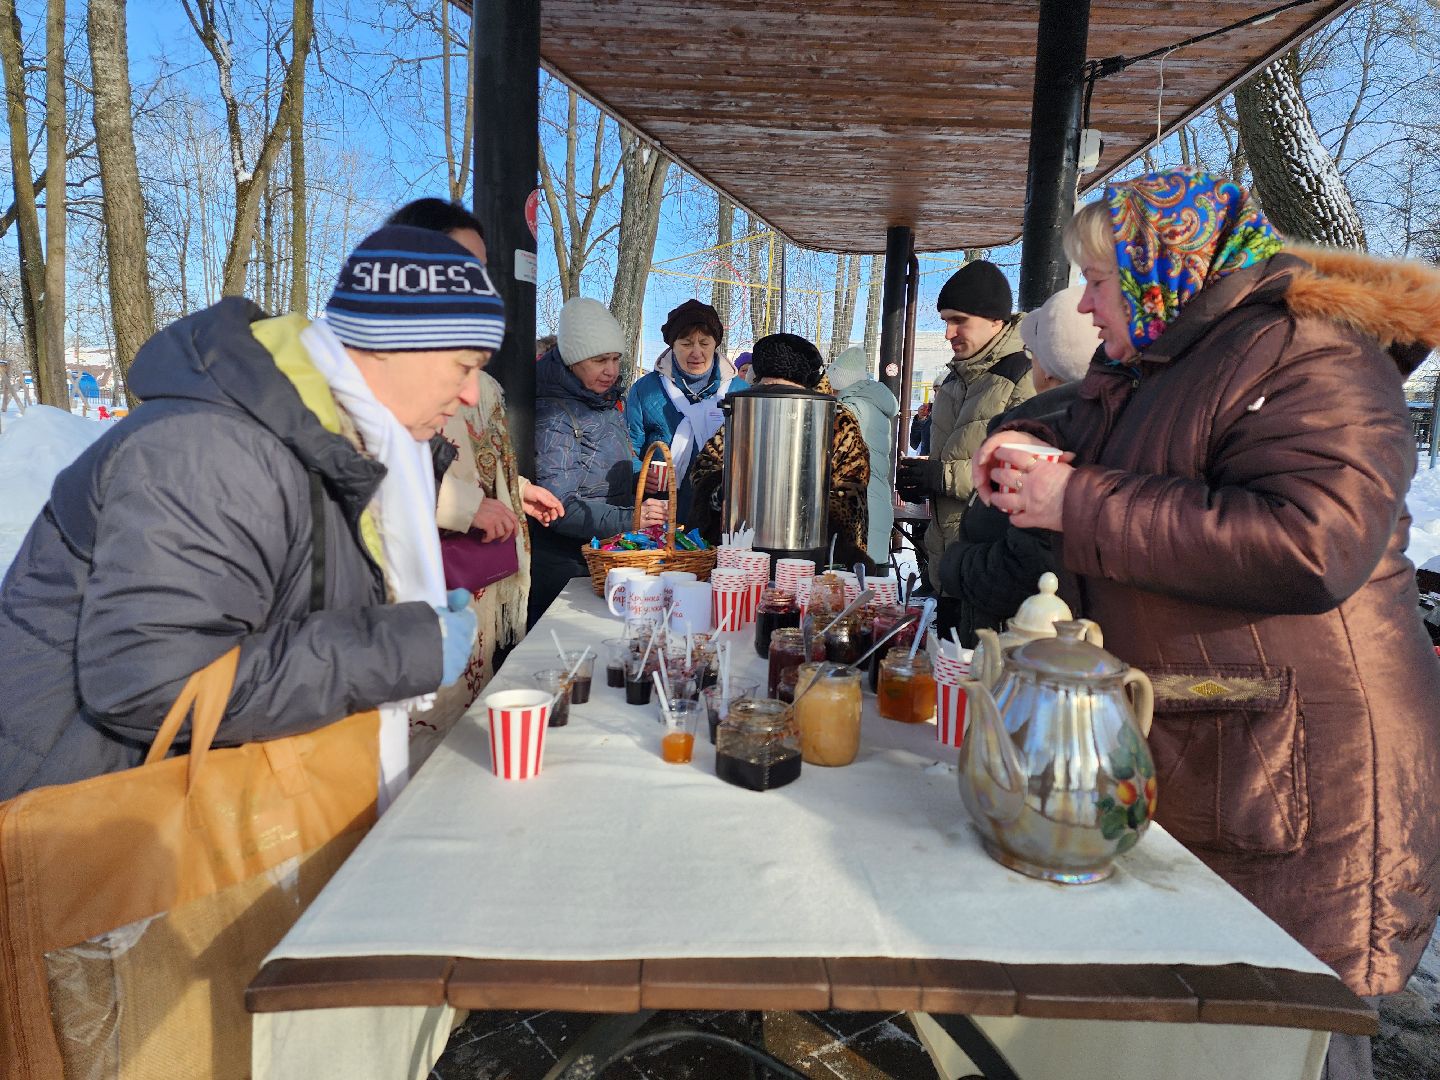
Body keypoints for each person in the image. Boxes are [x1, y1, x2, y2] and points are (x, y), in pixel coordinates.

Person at [973, 169, 1440, 1080]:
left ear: (1161, 271)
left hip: (1302, 773)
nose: (1084, 305)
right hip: (1216, 742)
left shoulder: (1313, 355)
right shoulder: (1171, 360)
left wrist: (1078, 497)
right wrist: (1046, 469)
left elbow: (1313, 544)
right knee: (1203, 1033)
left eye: (1098, 281)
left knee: (1286, 1030)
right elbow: (1163, 483)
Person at [0, 225, 506, 805]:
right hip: (89, 825)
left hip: (165, 803)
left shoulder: (334, 444)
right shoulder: (213, 450)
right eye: (463, 364)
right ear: (390, 342)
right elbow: (150, 681)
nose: (471, 394)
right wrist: (396, 648)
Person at [383, 198, 565, 765]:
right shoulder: (379, 363)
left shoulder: (471, 376)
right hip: (418, 584)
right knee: (420, 738)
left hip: (474, 585)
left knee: (464, 731)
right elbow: (369, 469)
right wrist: (465, 506)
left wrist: (515, 489)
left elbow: (469, 459)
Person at [937, 285, 1098, 645]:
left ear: (1050, 363)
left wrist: (954, 565)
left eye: (1035, 353)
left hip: (1014, 647)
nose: (1030, 361)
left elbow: (1026, 568)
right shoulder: (1077, 426)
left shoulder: (1044, 437)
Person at [896, 261, 1033, 629]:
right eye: (945, 321)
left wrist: (941, 477)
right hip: (949, 566)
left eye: (959, 320)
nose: (948, 333)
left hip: (992, 569)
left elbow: (1026, 476)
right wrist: (921, 481)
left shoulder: (1024, 376)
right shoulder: (955, 382)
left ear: (995, 321)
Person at [530, 297, 666, 626]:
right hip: (566, 569)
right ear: (573, 359)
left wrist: (637, 482)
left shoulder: (602, 402)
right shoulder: (552, 414)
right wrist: (632, 518)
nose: (611, 370)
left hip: (602, 556)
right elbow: (558, 507)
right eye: (600, 360)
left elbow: (597, 478)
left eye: (616, 359)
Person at [689, 333, 870, 566]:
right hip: (740, 553)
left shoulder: (838, 421)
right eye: (766, 388)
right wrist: (722, 491)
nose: (772, 398)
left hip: (812, 557)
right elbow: (706, 465)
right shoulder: (746, 409)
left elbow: (850, 494)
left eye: (781, 390)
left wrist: (797, 507)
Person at [625, 299, 747, 515]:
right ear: (673, 345)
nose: (696, 352)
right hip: (661, 511)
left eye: (704, 342)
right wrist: (638, 475)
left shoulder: (739, 392)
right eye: (687, 343)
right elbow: (627, 448)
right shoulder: (646, 390)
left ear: (715, 344)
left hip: (722, 512)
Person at [828, 346, 899, 564]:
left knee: (856, 580)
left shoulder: (851, 408)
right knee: (872, 575)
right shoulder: (872, 402)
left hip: (860, 506)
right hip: (877, 499)